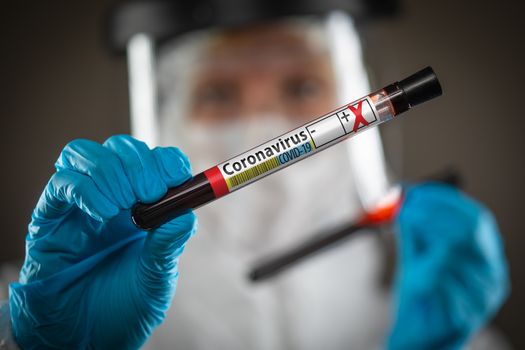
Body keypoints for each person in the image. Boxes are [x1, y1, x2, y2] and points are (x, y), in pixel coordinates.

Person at [0, 0, 510, 349]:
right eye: (218, 94)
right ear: (168, 113)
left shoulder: (443, 306)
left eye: (302, 86)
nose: (263, 123)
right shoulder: (44, 304)